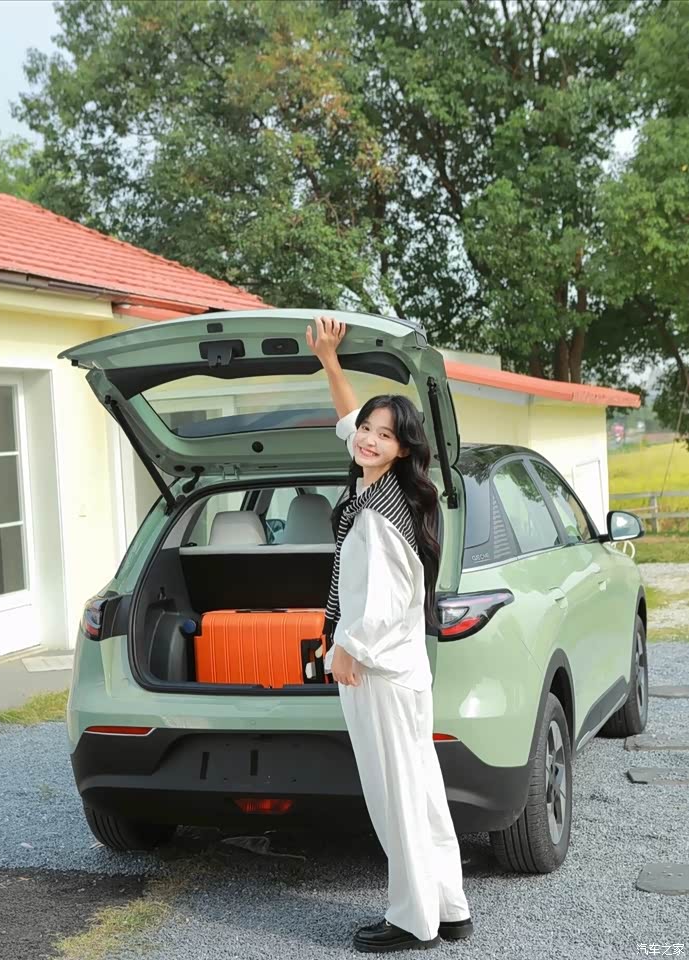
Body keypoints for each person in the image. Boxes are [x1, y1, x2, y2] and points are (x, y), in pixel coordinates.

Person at [305, 315, 473, 953]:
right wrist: (330, 360)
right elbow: (348, 419)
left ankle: (412, 921)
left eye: (384, 434)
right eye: (367, 429)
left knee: (395, 796)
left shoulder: (377, 514)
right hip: (403, 669)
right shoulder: (386, 486)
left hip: (379, 670)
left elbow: (382, 600)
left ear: (403, 448)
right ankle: (448, 908)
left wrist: (348, 649)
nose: (368, 438)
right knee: (421, 790)